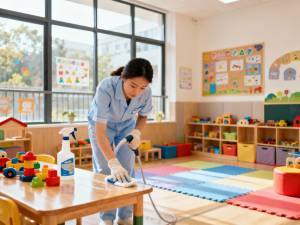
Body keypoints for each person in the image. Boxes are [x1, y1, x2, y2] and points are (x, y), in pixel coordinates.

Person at [87, 58, 153, 225]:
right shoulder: (106, 87)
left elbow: (144, 115)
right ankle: (106, 219)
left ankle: (124, 216)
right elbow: (100, 132)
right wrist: (112, 162)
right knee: (105, 169)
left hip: (127, 125)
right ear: (123, 77)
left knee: (127, 169)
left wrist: (137, 132)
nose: (137, 92)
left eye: (142, 87)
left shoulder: (146, 92)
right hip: (102, 126)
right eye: (133, 85)